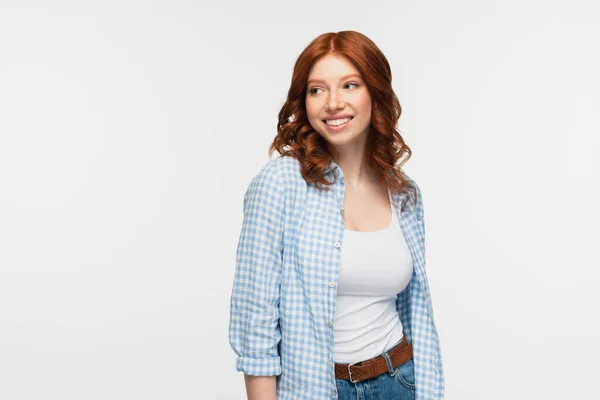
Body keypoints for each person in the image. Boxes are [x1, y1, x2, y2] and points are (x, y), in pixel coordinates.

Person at [228, 30, 444, 400]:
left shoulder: (404, 193)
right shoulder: (280, 183)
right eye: (317, 89)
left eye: (349, 85)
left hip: (400, 381)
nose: (333, 102)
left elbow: (414, 312)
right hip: (317, 389)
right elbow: (255, 323)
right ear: (304, 100)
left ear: (375, 94)